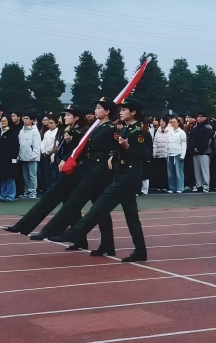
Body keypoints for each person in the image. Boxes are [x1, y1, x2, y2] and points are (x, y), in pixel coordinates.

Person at [50, 98, 151, 262]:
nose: (121, 112)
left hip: (129, 176)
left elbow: (146, 155)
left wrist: (127, 147)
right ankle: (140, 250)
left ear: (133, 113)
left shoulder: (139, 132)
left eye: (124, 110)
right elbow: (116, 148)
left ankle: (75, 233)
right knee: (131, 215)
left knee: (100, 205)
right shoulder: (125, 130)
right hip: (121, 174)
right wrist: (114, 155)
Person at [26, 100, 118, 256]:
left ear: (107, 111)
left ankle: (63, 232)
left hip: (99, 174)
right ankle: (105, 244)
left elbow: (113, 148)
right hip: (89, 171)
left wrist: (111, 157)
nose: (95, 111)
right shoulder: (96, 128)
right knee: (99, 210)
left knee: (83, 205)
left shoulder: (109, 129)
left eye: (98, 108)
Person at [4, 105, 87, 240]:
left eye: (68, 115)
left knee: (50, 199)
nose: (64, 117)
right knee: (69, 205)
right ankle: (80, 240)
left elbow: (78, 151)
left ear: (77, 118)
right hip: (64, 169)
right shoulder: (67, 130)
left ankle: (29, 227)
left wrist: (66, 151)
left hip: (74, 172)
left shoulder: (82, 132)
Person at [166, 116, 187, 193]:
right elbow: (167, 143)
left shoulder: (181, 132)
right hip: (170, 154)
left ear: (178, 123)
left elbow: (184, 144)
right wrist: (166, 153)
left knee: (179, 172)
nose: (172, 124)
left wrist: (183, 155)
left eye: (174, 122)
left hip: (178, 153)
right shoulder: (169, 132)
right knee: (171, 173)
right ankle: (172, 188)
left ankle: (180, 187)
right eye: (171, 122)